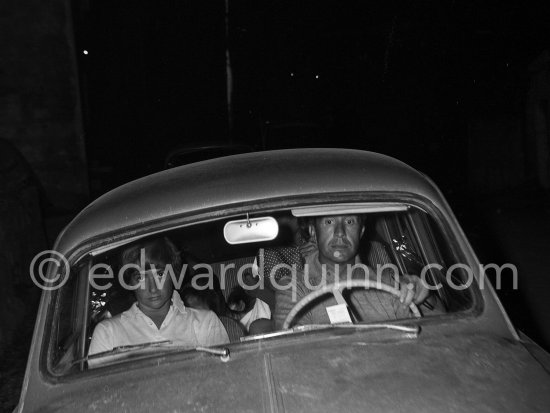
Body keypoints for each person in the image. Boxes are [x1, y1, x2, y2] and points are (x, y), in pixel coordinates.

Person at [88, 237, 229, 367]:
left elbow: (224, 379)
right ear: (130, 283)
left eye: (160, 274)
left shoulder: (205, 323)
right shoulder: (108, 332)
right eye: (141, 278)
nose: (153, 288)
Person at [273, 215, 429, 329]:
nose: (340, 232)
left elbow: (429, 335)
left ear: (361, 232)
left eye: (349, 222)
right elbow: (294, 352)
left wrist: (421, 292)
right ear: (313, 231)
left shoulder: (387, 281)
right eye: (329, 221)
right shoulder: (293, 287)